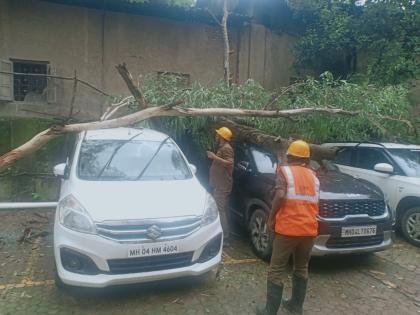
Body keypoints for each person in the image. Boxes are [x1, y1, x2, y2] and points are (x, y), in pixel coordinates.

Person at [257, 140, 320, 315]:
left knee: (276, 269)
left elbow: (280, 195)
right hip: (309, 230)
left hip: (288, 230)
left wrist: (270, 219)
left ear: (290, 156)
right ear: (306, 159)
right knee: (301, 267)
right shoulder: (314, 177)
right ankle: (296, 306)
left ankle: (270, 311)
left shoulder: (285, 172)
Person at [207, 127, 234, 244]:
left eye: (218, 135)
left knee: (220, 210)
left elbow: (229, 163)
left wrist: (214, 157)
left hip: (222, 185)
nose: (216, 136)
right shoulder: (223, 148)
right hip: (220, 184)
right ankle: (225, 233)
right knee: (223, 209)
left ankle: (225, 237)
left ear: (222, 137)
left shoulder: (227, 148)